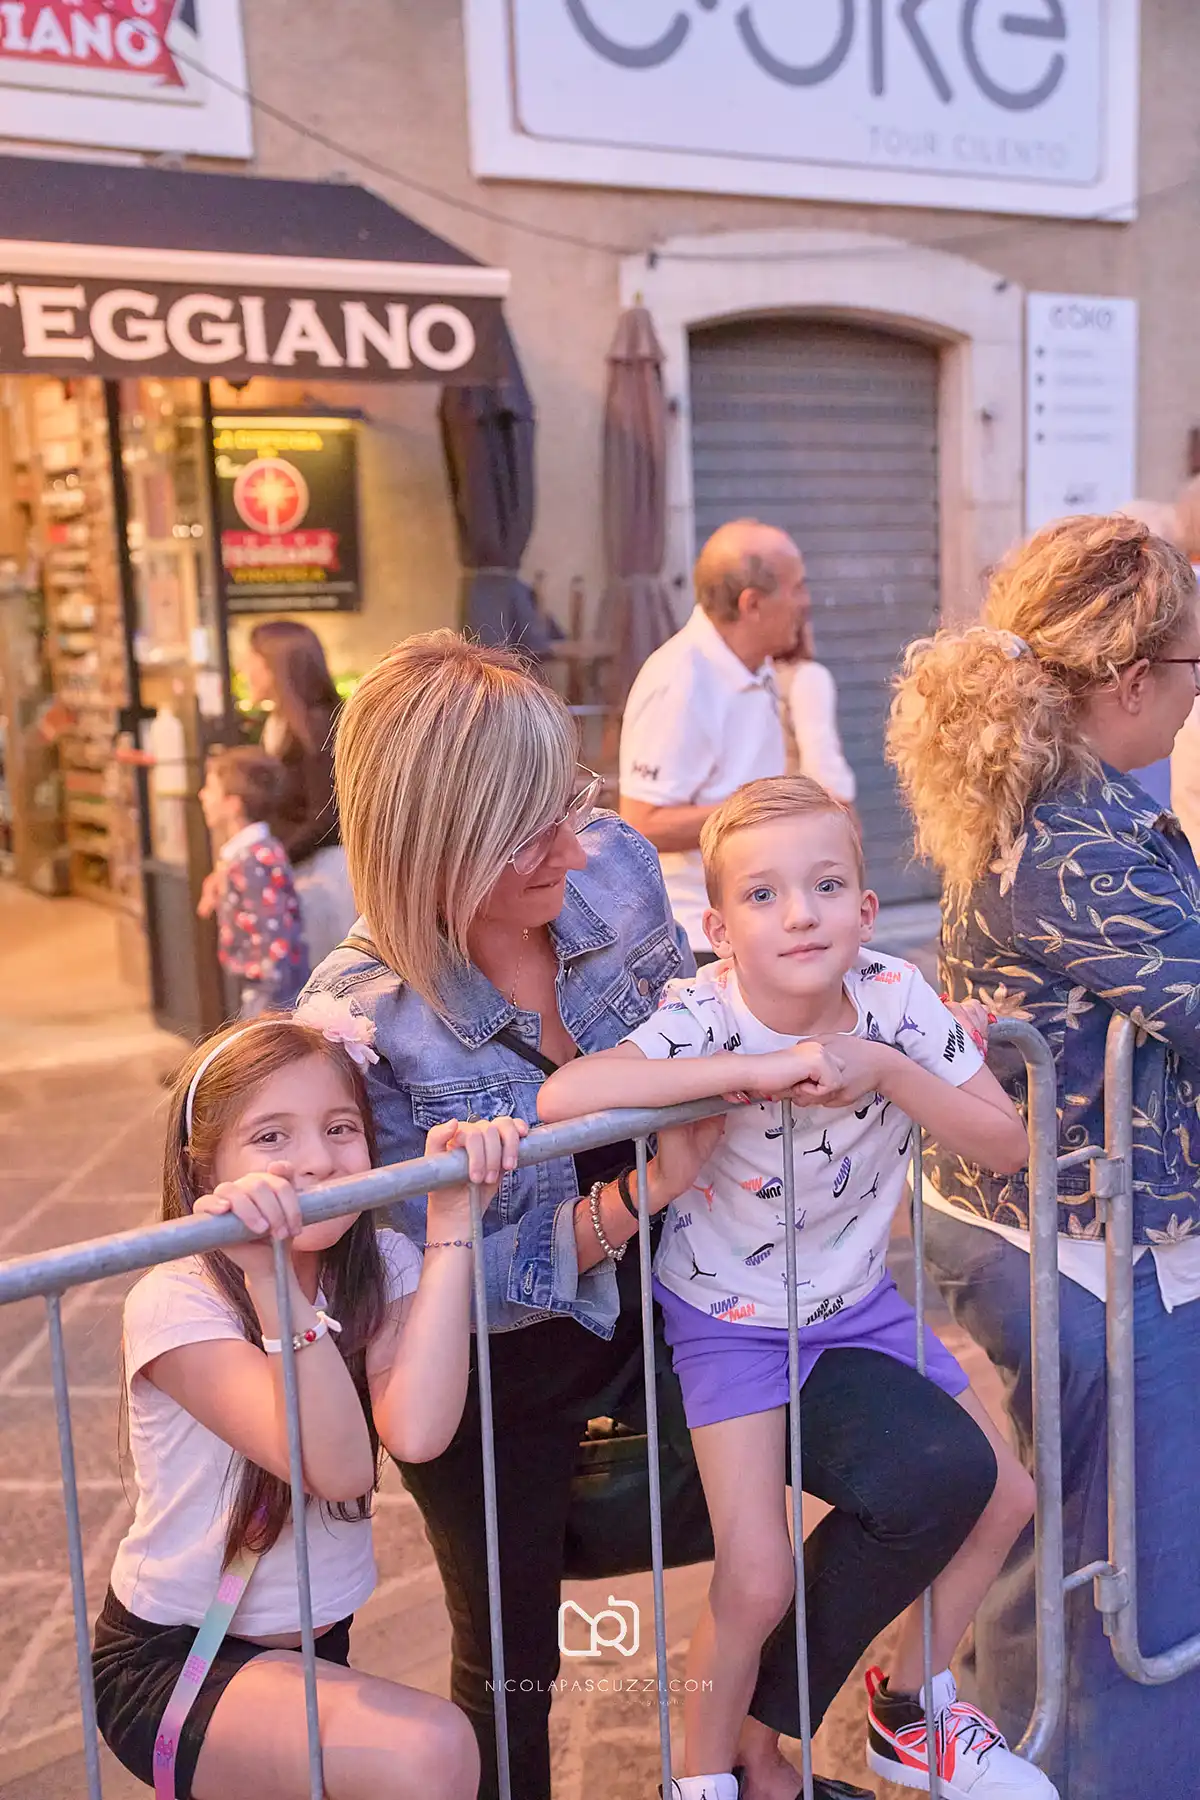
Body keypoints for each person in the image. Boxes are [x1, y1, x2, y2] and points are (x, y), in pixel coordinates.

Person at [302, 631, 1001, 1800]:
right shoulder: (363, 1019)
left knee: (929, 1477)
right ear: (439, 843)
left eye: (569, 804)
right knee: (512, 1672)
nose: (578, 846)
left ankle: (754, 1749)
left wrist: (899, 1031)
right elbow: (434, 1277)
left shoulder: (613, 866)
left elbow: (712, 1008)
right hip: (503, 1376)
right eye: (533, 833)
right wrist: (643, 1193)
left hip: (689, 1299)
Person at [539, 776, 1047, 1800]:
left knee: (1008, 1497)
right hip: (727, 1321)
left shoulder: (896, 998)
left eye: (825, 886)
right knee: (757, 1575)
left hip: (856, 1307)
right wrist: (748, 1073)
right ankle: (700, 1779)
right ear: (720, 930)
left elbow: (1007, 1143)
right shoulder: (703, 1011)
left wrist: (888, 1069)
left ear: (866, 909)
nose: (801, 914)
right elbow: (566, 1096)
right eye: (763, 895)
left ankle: (911, 1711)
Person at [887, 512, 1200, 1797]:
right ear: (1130, 680)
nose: (1194, 698)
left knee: (1082, 1550)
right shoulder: (1078, 842)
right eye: (1192, 669)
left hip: (1051, 1227)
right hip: (1078, 1247)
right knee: (1117, 1578)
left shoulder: (1050, 795)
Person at [92, 1001, 527, 1799]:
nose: (317, 1161)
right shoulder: (176, 1300)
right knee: (431, 1752)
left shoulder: (380, 1263)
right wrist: (269, 1277)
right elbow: (337, 1468)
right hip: (178, 1661)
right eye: (271, 1137)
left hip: (314, 1652)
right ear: (203, 1171)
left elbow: (419, 1431)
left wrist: (454, 1220)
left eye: (340, 1128)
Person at [620, 519, 808, 962]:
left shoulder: (756, 663)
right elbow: (643, 822)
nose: (806, 602)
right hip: (700, 941)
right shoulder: (679, 681)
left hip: (758, 920)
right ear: (752, 604)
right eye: (797, 588)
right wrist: (768, 811)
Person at [242, 619, 356, 964]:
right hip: (298, 872)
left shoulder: (319, 725)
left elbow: (326, 817)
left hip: (324, 877)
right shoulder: (278, 725)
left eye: (252, 660)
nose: (244, 670)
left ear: (276, 665)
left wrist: (272, 859)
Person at [198, 746, 309, 1016]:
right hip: (261, 988)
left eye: (210, 788)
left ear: (233, 805)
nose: (202, 795)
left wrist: (270, 1008)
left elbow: (273, 939)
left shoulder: (252, 861)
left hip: (268, 996)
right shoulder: (251, 854)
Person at [773, 619, 857, 805]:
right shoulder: (808, 677)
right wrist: (842, 806)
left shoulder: (756, 678)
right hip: (799, 807)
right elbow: (820, 759)